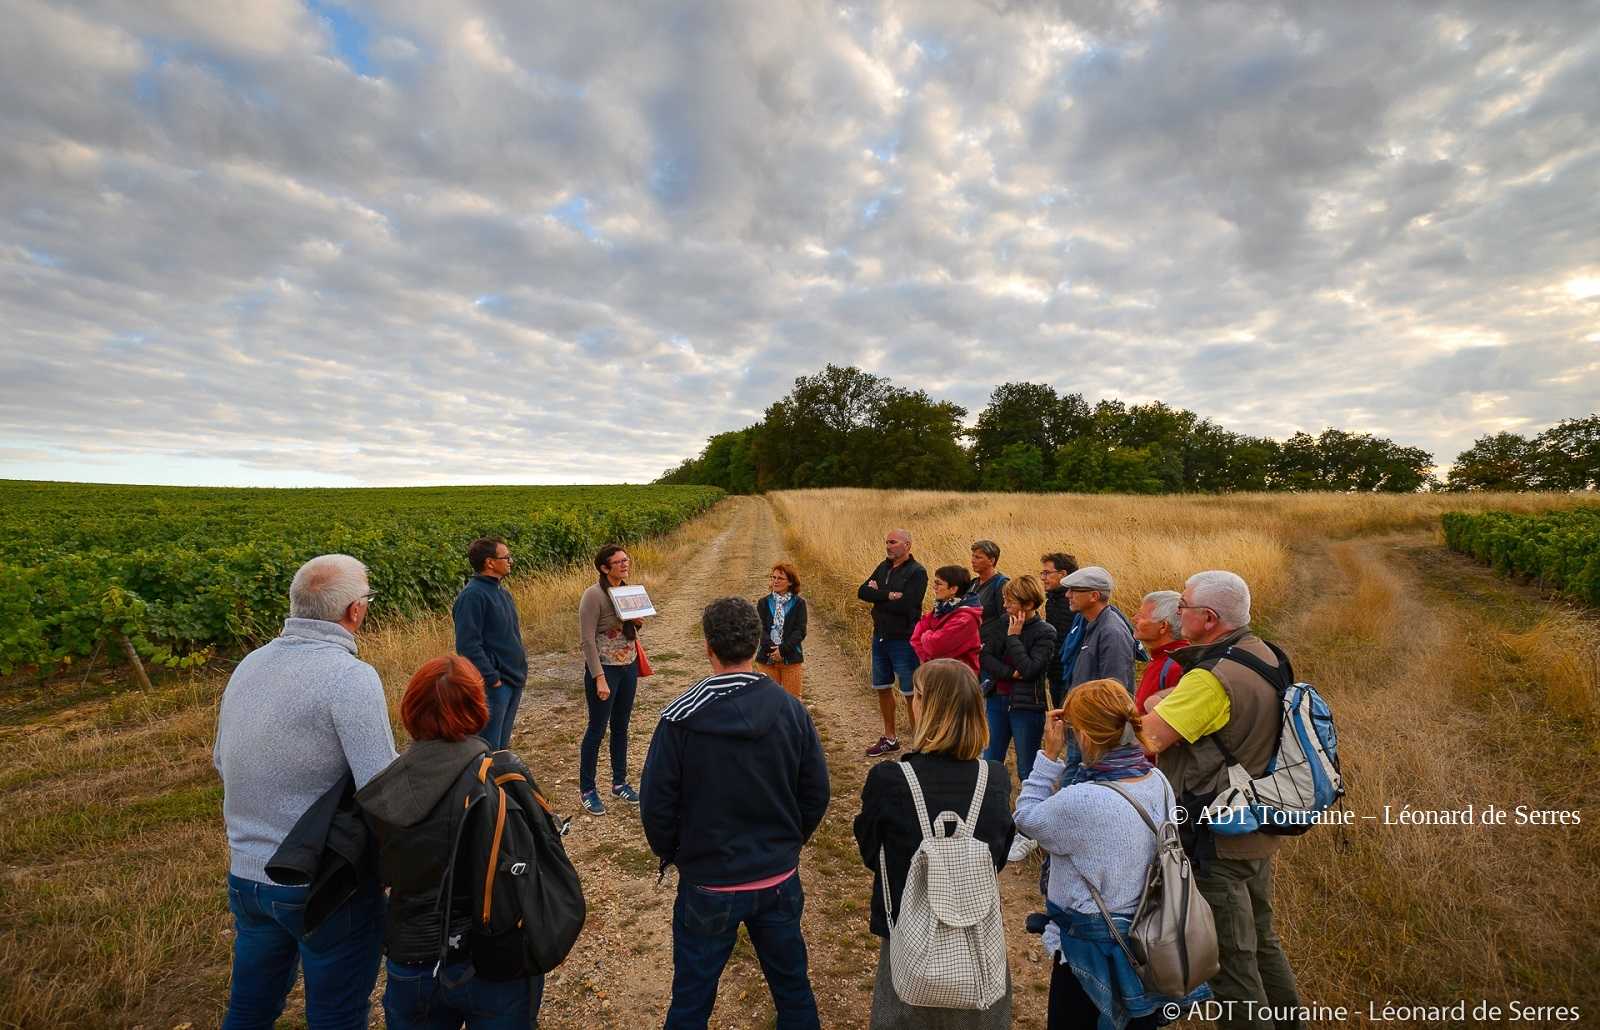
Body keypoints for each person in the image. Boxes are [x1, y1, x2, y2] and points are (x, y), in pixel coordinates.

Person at [213, 554, 396, 1030]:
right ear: (355, 611)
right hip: (323, 883)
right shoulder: (351, 677)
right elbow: (381, 788)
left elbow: (219, 759)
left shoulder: (250, 664)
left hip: (247, 877)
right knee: (336, 1015)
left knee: (249, 1009)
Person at [640, 597, 831, 1030]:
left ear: (708, 646)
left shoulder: (680, 718)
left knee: (691, 999)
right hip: (778, 878)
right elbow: (816, 791)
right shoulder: (789, 709)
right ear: (757, 641)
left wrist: (678, 852)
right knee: (793, 991)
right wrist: (788, 841)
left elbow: (656, 805)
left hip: (709, 882)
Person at [1141, 571, 1303, 1030]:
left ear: (1208, 618)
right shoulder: (1266, 654)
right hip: (1257, 824)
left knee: (1231, 964)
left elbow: (1148, 740)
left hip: (1217, 838)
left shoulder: (1212, 679)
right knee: (1264, 942)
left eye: (1184, 605)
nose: (1178, 612)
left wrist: (1153, 703)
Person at [357, 656, 546, 1028]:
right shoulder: (502, 778)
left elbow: (373, 873)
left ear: (410, 709)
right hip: (495, 960)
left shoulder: (382, 788)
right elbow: (535, 865)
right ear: (478, 707)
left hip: (412, 960)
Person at [1014, 679, 1198, 1030]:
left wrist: (1048, 757)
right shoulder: (1157, 780)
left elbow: (1026, 819)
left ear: (1084, 735)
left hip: (1089, 951)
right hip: (1147, 942)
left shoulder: (1083, 800)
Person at [853, 658, 1017, 1030]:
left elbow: (871, 853)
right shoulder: (994, 779)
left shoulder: (889, 780)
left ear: (924, 706)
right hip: (976, 936)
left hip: (907, 932)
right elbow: (999, 855)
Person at [979, 574, 1057, 863]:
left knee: (1027, 768)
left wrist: (1013, 639)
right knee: (991, 762)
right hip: (998, 701)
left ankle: (1028, 830)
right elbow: (985, 658)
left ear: (1027, 603)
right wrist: (1010, 673)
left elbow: (1032, 669)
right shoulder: (1000, 623)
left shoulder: (1045, 632)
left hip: (1027, 707)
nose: (1005, 606)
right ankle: (992, 821)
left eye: (1010, 602)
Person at [577, 544, 649, 816]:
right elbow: (587, 640)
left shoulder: (628, 591)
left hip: (627, 667)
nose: (624, 564)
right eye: (618, 562)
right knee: (597, 729)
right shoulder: (593, 596)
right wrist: (598, 678)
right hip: (605, 670)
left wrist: (637, 620)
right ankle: (587, 789)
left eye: (626, 560)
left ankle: (619, 782)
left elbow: (631, 626)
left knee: (621, 727)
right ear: (604, 567)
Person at [858, 528, 929, 757]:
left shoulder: (917, 572)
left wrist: (879, 595)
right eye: (886, 542)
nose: (888, 546)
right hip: (880, 636)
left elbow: (907, 604)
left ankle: (918, 745)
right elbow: (862, 592)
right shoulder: (883, 567)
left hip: (904, 639)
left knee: (911, 692)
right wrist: (889, 595)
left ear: (907, 545)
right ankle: (890, 738)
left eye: (893, 542)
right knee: (882, 687)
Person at [453, 536, 528, 750]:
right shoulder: (472, 596)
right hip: (495, 685)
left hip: (513, 678)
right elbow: (467, 646)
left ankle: (499, 783)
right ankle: (485, 784)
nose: (510, 561)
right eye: (506, 557)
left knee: (501, 747)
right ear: (490, 562)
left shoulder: (502, 592)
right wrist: (492, 678)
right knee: (487, 747)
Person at [1061, 566, 1137, 695]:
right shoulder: (1093, 625)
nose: (1067, 595)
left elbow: (1113, 691)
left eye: (1074, 590)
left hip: (1098, 715)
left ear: (1094, 596)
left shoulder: (1112, 632)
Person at [910, 565, 983, 675]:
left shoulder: (966, 618)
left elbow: (936, 646)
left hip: (958, 679)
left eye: (939, 584)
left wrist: (926, 634)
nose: (934, 587)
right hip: (938, 674)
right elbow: (915, 638)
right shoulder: (941, 608)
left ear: (953, 589)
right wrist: (929, 659)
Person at [756, 561, 808, 699]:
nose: (775, 581)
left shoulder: (799, 603)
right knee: (768, 701)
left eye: (780, 578)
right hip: (767, 658)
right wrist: (773, 650)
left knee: (793, 701)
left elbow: (800, 631)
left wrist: (782, 650)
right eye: (773, 577)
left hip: (791, 658)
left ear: (790, 582)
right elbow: (759, 628)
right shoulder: (763, 602)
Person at [1131, 590, 1188, 715]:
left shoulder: (1177, 666)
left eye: (1141, 616)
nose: (1134, 619)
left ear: (1163, 626)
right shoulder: (1160, 657)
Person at [967, 540, 1009, 696]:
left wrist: (992, 647)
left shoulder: (1001, 584)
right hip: (971, 650)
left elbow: (1005, 619)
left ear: (991, 560)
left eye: (978, 557)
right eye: (973, 556)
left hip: (989, 652)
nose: (973, 560)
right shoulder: (973, 584)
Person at [1039, 552, 1079, 708]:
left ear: (1063, 574)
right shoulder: (1052, 601)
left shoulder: (1076, 603)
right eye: (1042, 573)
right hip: (1055, 671)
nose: (1043, 577)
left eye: (1047, 573)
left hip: (1070, 674)